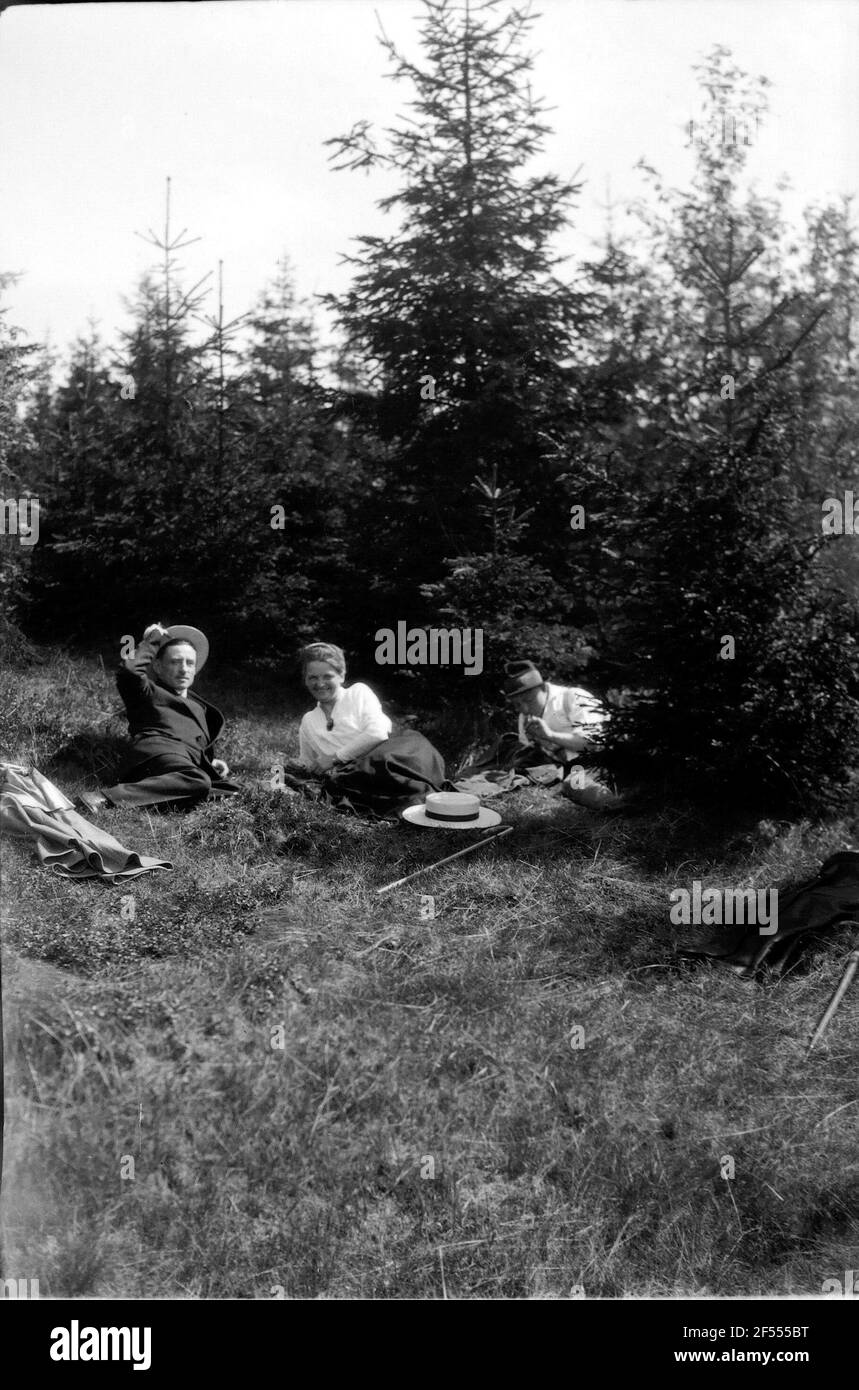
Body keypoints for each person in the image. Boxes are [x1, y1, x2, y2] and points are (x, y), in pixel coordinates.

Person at [77, 623, 239, 813]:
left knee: (234, 791)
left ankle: (154, 800)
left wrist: (209, 763)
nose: (184, 669)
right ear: (158, 666)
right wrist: (153, 638)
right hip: (155, 757)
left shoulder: (200, 707)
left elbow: (188, 740)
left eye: (190, 663)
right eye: (175, 662)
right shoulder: (148, 692)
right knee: (198, 781)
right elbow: (129, 670)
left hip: (184, 766)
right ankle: (103, 798)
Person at [289, 642, 445, 816]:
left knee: (378, 762)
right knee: (343, 780)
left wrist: (335, 758)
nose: (320, 683)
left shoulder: (357, 693)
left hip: (392, 757)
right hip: (356, 776)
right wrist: (292, 768)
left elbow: (378, 732)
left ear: (341, 675)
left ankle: (418, 796)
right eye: (313, 677)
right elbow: (308, 762)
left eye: (327, 676)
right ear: (305, 679)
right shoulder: (309, 720)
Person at [502, 659, 621, 809]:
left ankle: (617, 808)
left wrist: (550, 735)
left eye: (529, 700)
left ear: (544, 688)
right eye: (517, 704)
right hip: (566, 768)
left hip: (599, 760)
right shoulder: (524, 718)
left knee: (575, 783)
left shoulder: (573, 697)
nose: (524, 709)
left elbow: (592, 743)